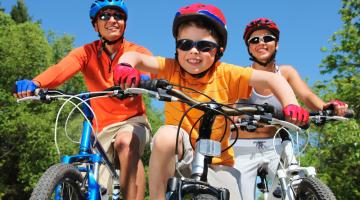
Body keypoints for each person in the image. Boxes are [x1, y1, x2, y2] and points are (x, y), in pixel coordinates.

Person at [112, 4, 310, 200]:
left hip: (218, 162)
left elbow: (272, 79)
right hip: (181, 154)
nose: (194, 51)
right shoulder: (169, 68)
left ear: (219, 51)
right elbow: (135, 56)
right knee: (165, 136)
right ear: (177, 47)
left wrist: (290, 104)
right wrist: (125, 65)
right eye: (185, 44)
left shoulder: (227, 73)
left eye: (204, 46)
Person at [13, 0, 152, 199]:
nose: (112, 20)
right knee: (97, 188)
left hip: (132, 121)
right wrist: (35, 84)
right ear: (95, 25)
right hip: (101, 127)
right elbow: (61, 69)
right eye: (105, 16)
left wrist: (143, 78)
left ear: (125, 23)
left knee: (124, 143)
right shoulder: (86, 53)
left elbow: (149, 69)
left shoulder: (135, 51)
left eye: (118, 16)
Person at [232, 17, 349, 200]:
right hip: (242, 148)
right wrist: (236, 118)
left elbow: (307, 96)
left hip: (276, 146)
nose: (261, 43)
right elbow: (230, 107)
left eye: (267, 38)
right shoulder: (242, 76)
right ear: (249, 47)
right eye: (254, 40)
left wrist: (326, 107)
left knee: (293, 184)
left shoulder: (286, 72)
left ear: (276, 44)